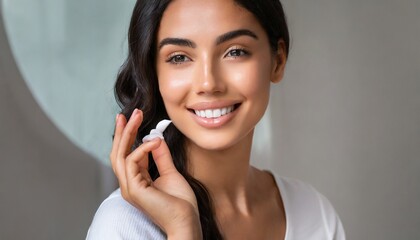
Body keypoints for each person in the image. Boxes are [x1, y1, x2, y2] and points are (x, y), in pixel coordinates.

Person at [87, 0, 345, 239]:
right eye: (179, 57)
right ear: (153, 73)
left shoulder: (315, 215)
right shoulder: (122, 225)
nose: (208, 83)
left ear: (277, 60)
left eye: (235, 52)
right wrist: (182, 226)